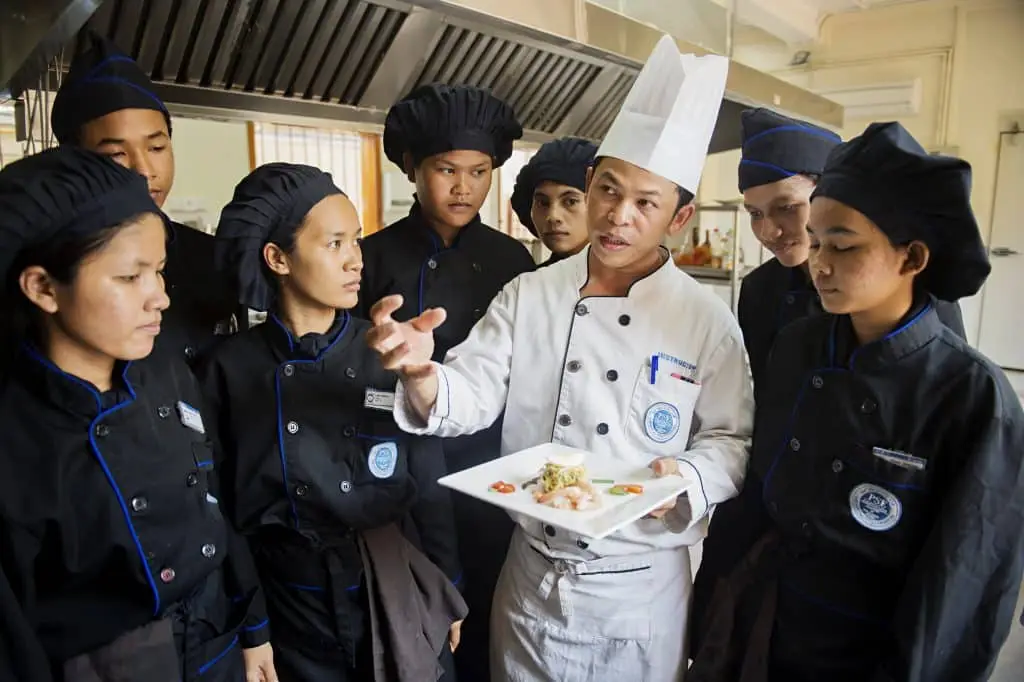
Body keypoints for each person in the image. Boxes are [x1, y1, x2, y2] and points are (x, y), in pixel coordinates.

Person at [365, 35, 752, 681]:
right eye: (606, 189)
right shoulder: (531, 291)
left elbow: (730, 438)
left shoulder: (705, 321)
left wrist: (684, 477)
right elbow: (474, 391)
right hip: (531, 574)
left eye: (645, 203)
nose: (616, 217)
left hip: (637, 591)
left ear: (679, 218)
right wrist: (423, 373)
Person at [688, 122, 1024, 682]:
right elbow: (758, 485)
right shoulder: (800, 345)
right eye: (816, 242)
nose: (818, 263)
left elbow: (962, 584)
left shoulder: (973, 398)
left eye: (841, 246)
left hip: (868, 648)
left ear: (912, 257)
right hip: (769, 624)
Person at [0, 147, 274, 681]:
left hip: (214, 642)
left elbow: (213, 501)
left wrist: (253, 626)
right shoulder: (16, 436)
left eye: (161, 272)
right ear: (42, 287)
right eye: (130, 278)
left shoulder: (165, 370)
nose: (160, 299)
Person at [199, 163, 467, 681]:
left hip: (389, 580)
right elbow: (219, 510)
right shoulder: (227, 368)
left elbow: (428, 477)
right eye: (336, 243)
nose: (356, 261)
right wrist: (251, 625)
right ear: (277, 258)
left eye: (357, 241)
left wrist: (447, 581)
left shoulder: (387, 349)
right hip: (286, 597)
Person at [355, 82, 536, 682]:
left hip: (489, 470)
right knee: (412, 626)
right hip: (399, 471)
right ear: (412, 167)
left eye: (480, 171)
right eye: (446, 169)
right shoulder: (370, 259)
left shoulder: (514, 263)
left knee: (488, 613)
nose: (464, 187)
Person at [49, 31, 241, 367]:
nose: (143, 170)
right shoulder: (52, 269)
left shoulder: (214, 260)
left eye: (156, 147)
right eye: (115, 153)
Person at [735, 108, 967, 386]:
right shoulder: (759, 290)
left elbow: (949, 390)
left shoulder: (910, 285)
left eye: (787, 207)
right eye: (755, 214)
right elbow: (768, 397)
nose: (768, 231)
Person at [510, 137, 598, 267]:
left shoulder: (635, 284)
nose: (553, 216)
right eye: (542, 203)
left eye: (571, 202)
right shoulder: (526, 284)